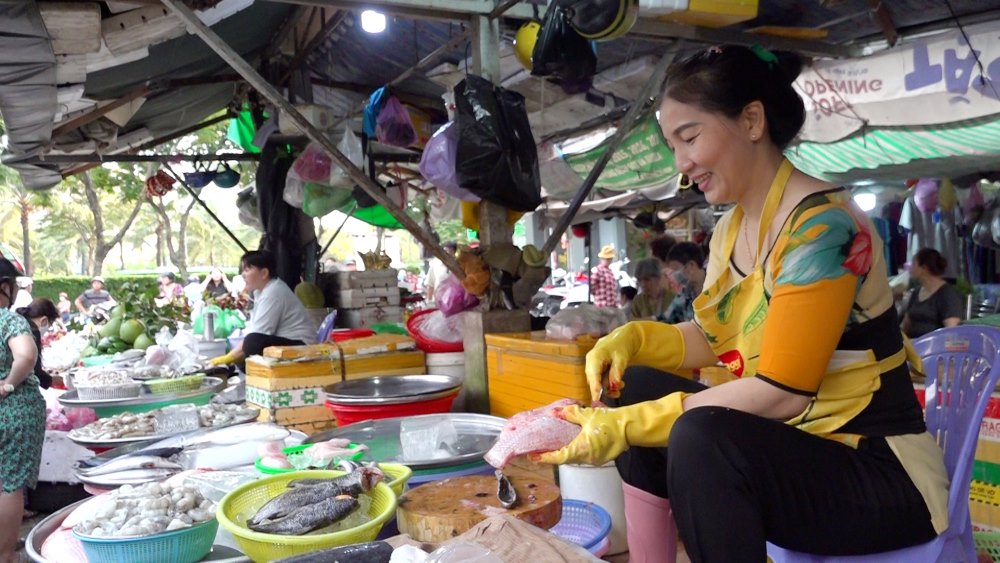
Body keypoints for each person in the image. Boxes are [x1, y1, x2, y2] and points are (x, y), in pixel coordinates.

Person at [535, 45, 947, 562]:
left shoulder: (824, 227)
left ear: (752, 120)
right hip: (798, 448)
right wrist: (633, 339)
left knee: (702, 439)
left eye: (690, 137)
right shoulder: (731, 227)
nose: (682, 165)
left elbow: (783, 391)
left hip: (877, 471)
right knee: (633, 385)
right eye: (673, 145)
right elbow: (713, 335)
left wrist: (631, 426)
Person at [0, 258, 45, 559]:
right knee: (9, 484)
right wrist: (7, 385)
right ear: (5, 288)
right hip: (13, 411)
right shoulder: (8, 319)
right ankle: (4, 555)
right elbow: (26, 355)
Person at [207, 250, 317, 366]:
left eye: (247, 270)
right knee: (243, 354)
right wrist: (233, 356)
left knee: (251, 343)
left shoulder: (273, 292)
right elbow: (256, 329)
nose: (243, 275)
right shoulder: (262, 291)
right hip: (290, 345)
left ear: (264, 273)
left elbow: (258, 334)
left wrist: (228, 357)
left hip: (302, 348)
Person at [901, 248, 963, 338]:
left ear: (924, 268)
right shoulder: (915, 293)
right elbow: (905, 326)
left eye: (913, 263)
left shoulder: (948, 295)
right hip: (911, 346)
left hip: (934, 347)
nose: (910, 267)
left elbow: (951, 332)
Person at [659, 242, 708, 324]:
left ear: (691, 265)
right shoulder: (684, 294)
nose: (673, 275)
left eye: (675, 268)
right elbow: (665, 319)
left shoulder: (717, 286)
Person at [15, 298, 58, 390]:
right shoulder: (32, 331)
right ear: (44, 320)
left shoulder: (17, 323)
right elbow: (34, 370)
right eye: (50, 324)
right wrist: (52, 380)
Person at [590, 244, 620, 308]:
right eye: (606, 259)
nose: (609, 260)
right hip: (602, 307)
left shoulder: (610, 271)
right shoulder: (598, 271)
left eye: (609, 259)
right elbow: (591, 287)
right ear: (602, 259)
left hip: (612, 307)